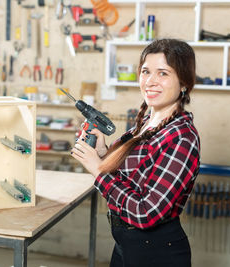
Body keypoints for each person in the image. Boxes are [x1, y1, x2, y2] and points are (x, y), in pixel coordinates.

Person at [71, 38, 200, 267]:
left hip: (158, 254)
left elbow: (145, 212)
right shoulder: (145, 124)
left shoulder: (182, 137)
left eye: (163, 73)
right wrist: (102, 154)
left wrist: (97, 169)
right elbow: (128, 183)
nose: (150, 81)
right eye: (145, 71)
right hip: (126, 246)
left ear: (183, 83)